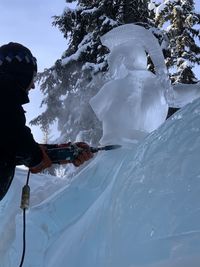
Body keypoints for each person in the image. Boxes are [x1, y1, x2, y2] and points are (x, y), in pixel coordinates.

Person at [0, 42, 93, 201]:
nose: (34, 85)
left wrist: (68, 152)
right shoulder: (5, 103)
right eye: (33, 77)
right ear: (21, 73)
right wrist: (37, 157)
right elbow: (21, 145)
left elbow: (13, 149)